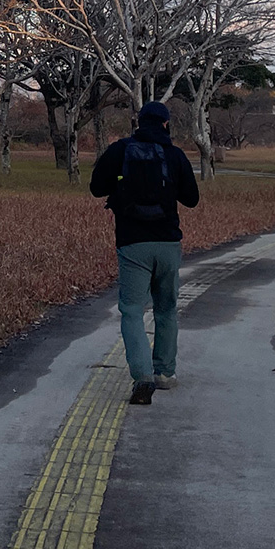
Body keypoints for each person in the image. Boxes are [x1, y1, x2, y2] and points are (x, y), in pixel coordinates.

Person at [89, 100, 200, 405]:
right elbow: (192, 199)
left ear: (138, 122)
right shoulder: (175, 155)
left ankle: (142, 376)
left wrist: (122, 188)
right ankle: (164, 374)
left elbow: (96, 188)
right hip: (167, 243)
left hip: (132, 243)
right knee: (166, 309)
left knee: (132, 311)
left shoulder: (120, 150)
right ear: (166, 124)